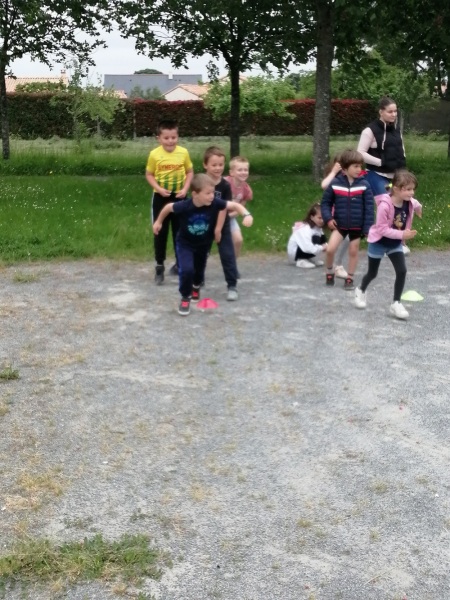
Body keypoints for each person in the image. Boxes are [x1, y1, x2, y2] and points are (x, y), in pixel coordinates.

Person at [152, 173, 253, 316]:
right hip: (185, 244)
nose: (212, 196)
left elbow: (235, 205)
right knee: (186, 270)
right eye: (208, 193)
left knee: (199, 271)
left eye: (213, 192)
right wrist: (158, 222)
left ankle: (196, 286)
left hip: (203, 244)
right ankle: (185, 297)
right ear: (195, 194)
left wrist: (246, 214)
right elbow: (168, 207)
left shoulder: (215, 203)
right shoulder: (185, 206)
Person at [354, 169, 422, 320]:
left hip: (394, 244)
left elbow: (415, 203)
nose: (412, 193)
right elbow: (382, 229)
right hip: (379, 242)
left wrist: (418, 209)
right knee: (372, 273)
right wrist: (402, 235)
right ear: (396, 189)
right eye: (408, 189)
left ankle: (396, 303)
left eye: (413, 189)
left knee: (402, 271)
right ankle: (361, 290)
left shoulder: (409, 201)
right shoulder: (384, 206)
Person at [357, 96, 411, 255]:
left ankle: (399, 241)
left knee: (401, 206)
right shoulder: (370, 131)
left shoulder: (396, 130)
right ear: (381, 112)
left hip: (396, 176)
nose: (394, 114)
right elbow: (360, 153)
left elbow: (401, 150)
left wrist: (402, 169)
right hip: (376, 174)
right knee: (386, 206)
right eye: (390, 111)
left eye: (395, 111)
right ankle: (382, 240)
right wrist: (380, 162)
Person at [145, 119, 194, 285]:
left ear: (178, 136)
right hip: (161, 198)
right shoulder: (154, 154)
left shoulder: (183, 153)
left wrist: (185, 188)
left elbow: (190, 172)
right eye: (166, 138)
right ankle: (159, 266)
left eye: (173, 137)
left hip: (180, 197)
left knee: (180, 232)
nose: (170, 141)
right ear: (159, 138)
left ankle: (180, 264)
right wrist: (158, 189)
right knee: (160, 231)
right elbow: (149, 175)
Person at [321, 149, 374, 290]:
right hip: (339, 225)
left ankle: (350, 278)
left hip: (357, 226)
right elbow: (325, 203)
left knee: (353, 251)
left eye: (360, 166)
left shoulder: (364, 185)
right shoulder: (335, 183)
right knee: (330, 249)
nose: (359, 169)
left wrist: (367, 228)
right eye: (355, 166)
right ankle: (330, 271)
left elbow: (369, 208)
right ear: (344, 168)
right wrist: (328, 219)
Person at [203, 146, 240, 301]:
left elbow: (224, 208)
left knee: (227, 254)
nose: (218, 168)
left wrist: (218, 229)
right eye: (214, 165)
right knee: (200, 253)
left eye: (221, 164)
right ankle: (197, 281)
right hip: (203, 224)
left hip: (222, 224)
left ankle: (232, 286)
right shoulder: (200, 182)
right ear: (205, 165)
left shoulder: (225, 186)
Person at [321, 154, 349, 279]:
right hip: (335, 215)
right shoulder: (334, 179)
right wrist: (333, 172)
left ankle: (335, 264)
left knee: (346, 239)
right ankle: (336, 266)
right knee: (344, 239)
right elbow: (324, 185)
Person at [224, 156, 253, 265]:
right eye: (240, 170)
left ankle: (232, 264)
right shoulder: (224, 183)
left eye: (245, 170)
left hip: (230, 218)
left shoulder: (246, 189)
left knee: (238, 240)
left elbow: (241, 209)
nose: (243, 172)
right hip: (215, 216)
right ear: (231, 172)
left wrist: (229, 217)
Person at [287, 203, 327, 268]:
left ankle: (309, 258)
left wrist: (326, 245)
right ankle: (301, 260)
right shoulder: (305, 229)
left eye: (324, 218)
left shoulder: (317, 228)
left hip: (306, 247)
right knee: (315, 238)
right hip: (295, 252)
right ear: (312, 217)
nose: (322, 220)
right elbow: (307, 247)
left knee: (320, 238)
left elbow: (323, 240)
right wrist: (322, 247)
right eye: (319, 218)